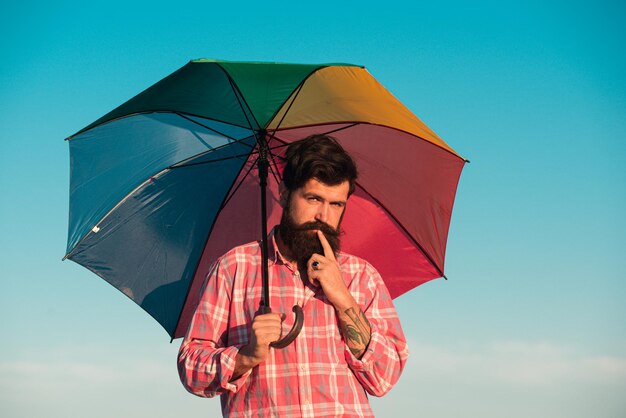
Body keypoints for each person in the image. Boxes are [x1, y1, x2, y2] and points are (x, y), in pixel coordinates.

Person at [178, 134, 408, 417]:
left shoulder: (361, 276)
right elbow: (191, 368)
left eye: (336, 204)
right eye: (313, 199)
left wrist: (344, 299)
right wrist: (245, 356)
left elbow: (384, 378)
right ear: (285, 194)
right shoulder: (234, 268)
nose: (323, 215)